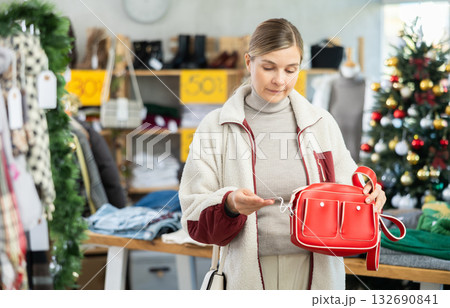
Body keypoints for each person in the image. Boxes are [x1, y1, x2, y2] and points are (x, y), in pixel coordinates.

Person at [179, 18, 386, 290]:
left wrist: (370, 192)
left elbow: (350, 187)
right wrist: (229, 204)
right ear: (248, 63)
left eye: (291, 69)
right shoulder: (215, 127)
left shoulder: (321, 123)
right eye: (268, 67)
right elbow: (194, 216)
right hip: (247, 274)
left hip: (317, 272)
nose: (280, 80)